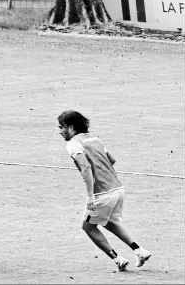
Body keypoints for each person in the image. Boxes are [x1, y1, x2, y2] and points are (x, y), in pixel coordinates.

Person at [57, 110, 151, 272]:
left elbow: (85, 166)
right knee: (106, 221)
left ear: (71, 127)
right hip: (117, 189)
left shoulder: (73, 143)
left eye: (62, 127)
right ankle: (139, 251)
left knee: (88, 227)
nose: (60, 131)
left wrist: (90, 196)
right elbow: (111, 160)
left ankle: (118, 259)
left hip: (102, 194)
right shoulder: (95, 140)